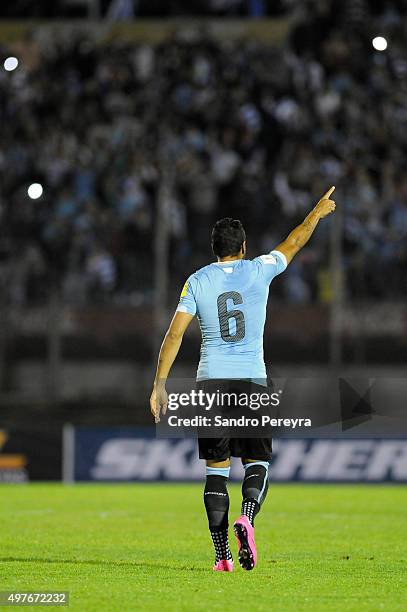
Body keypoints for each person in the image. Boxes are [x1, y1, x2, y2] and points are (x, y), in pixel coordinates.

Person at [150, 186, 336, 571]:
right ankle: (247, 517)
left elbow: (174, 335)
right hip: (252, 382)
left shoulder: (197, 280)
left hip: (210, 383)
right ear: (244, 246)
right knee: (258, 462)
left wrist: (160, 385)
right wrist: (315, 213)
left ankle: (222, 557)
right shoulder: (258, 270)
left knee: (216, 471)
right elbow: (294, 241)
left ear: (214, 247)